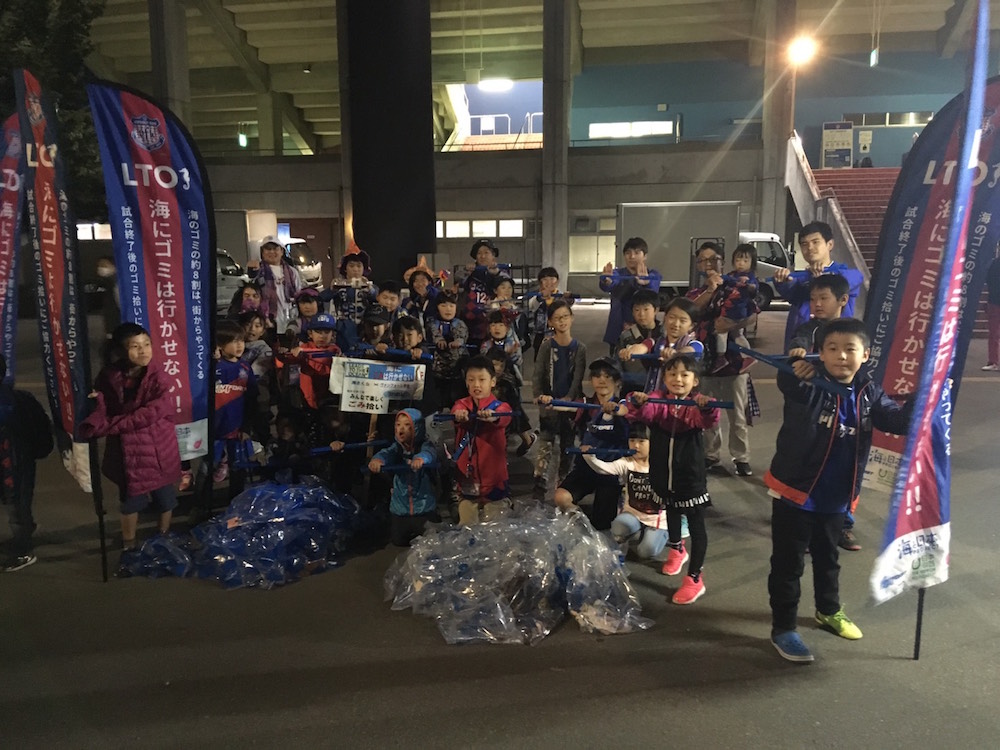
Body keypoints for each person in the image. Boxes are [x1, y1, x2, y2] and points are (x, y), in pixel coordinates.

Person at [765, 318, 912, 663]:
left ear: (866, 354)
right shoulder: (809, 381)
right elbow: (790, 383)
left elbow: (896, 421)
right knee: (788, 564)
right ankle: (783, 628)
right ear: (821, 353)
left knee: (828, 559)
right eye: (832, 348)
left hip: (836, 497)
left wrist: (928, 396)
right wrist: (795, 370)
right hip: (796, 491)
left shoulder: (869, 391)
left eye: (850, 349)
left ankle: (828, 610)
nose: (841, 356)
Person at [79, 323, 182, 558]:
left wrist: (107, 426)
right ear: (121, 350)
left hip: (158, 448)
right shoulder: (109, 376)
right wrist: (97, 403)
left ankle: (163, 537)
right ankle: (129, 544)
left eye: (147, 344)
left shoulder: (160, 377)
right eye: (135, 346)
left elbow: (148, 414)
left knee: (166, 499)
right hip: (128, 454)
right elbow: (103, 407)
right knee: (130, 502)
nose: (143, 350)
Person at [628, 355, 720, 605]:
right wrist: (638, 402)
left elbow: (709, 418)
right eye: (672, 374)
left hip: (690, 478)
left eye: (684, 375)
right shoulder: (659, 400)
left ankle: (695, 577)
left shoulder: (696, 404)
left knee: (696, 525)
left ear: (695, 380)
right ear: (664, 378)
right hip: (662, 476)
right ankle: (677, 549)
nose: (678, 379)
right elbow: (645, 413)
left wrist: (706, 406)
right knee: (671, 510)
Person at [687, 242, 753, 477]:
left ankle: (741, 457)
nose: (708, 264)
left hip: (734, 360)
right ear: (698, 265)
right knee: (707, 409)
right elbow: (690, 312)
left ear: (722, 261)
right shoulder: (696, 292)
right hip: (705, 360)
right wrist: (709, 290)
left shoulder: (736, 286)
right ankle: (711, 454)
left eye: (713, 259)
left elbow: (752, 314)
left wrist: (732, 324)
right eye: (703, 260)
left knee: (737, 413)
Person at [552, 357, 629, 530]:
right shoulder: (586, 404)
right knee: (561, 497)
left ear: (617, 382)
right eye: (597, 376)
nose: (601, 380)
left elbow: (625, 410)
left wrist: (616, 410)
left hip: (610, 471)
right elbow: (567, 406)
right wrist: (549, 402)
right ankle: (581, 524)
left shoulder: (624, 405)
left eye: (607, 376)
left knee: (603, 522)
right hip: (585, 467)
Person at [773, 221, 864, 350]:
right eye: (804, 244)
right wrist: (782, 280)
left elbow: (853, 279)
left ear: (830, 244)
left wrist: (822, 277)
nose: (810, 247)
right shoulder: (801, 279)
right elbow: (791, 291)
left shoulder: (848, 274)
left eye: (815, 242)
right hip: (800, 346)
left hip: (835, 346)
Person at [582, 423, 667, 560]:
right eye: (632, 440)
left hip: (656, 520)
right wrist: (590, 457)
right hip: (633, 514)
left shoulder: (663, 466)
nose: (636, 446)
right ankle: (637, 532)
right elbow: (604, 469)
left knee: (646, 552)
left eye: (641, 441)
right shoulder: (627, 462)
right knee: (617, 530)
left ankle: (665, 534)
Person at [0, 355, 53, 572]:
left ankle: (24, 551)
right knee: (18, 505)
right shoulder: (21, 398)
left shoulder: (11, 402)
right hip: (19, 463)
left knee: (16, 507)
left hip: (14, 465)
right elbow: (42, 428)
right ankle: (24, 534)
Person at [532, 300, 587, 497]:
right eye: (557, 318)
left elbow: (578, 377)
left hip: (570, 406)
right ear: (550, 322)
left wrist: (569, 398)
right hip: (549, 404)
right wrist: (538, 395)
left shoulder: (580, 348)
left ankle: (563, 482)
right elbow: (538, 373)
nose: (562, 321)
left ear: (572, 318)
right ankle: (539, 482)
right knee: (545, 444)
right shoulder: (547, 346)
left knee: (568, 445)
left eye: (565, 316)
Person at [451, 356, 513, 525]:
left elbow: (505, 415)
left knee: (495, 528)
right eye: (471, 380)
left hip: (494, 481)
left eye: (482, 379)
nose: (476, 385)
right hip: (468, 480)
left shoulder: (501, 406)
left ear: (493, 382)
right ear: (466, 382)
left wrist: (493, 417)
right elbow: (456, 410)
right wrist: (459, 415)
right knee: (467, 527)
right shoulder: (461, 405)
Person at [369, 408, 441, 546]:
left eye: (407, 425)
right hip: (400, 509)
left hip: (424, 508)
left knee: (429, 542)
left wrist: (421, 459)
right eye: (398, 425)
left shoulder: (425, 445)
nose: (401, 429)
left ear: (417, 428)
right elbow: (386, 453)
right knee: (398, 541)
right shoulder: (396, 448)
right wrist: (377, 460)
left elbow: (429, 453)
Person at [209, 320, 257, 496]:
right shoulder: (212, 367)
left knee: (239, 466)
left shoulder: (245, 367)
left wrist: (246, 428)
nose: (239, 345)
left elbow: (252, 400)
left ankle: (236, 500)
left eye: (241, 340)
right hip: (214, 429)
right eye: (233, 341)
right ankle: (202, 503)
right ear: (220, 345)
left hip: (237, 429)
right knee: (208, 466)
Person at [600, 237, 662, 355]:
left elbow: (653, 291)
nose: (632, 256)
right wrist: (607, 281)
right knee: (617, 361)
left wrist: (645, 282)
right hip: (619, 329)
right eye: (628, 253)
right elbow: (610, 283)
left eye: (637, 252)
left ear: (645, 256)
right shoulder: (618, 274)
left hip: (646, 331)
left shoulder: (653, 275)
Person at [482, 346, 535, 457]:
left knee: (501, 441)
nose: (498, 368)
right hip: (486, 415)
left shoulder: (507, 381)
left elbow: (513, 402)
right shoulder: (482, 379)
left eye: (502, 365)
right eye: (495, 364)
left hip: (504, 416)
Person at [714, 243, 759, 364]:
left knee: (721, 331)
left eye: (745, 261)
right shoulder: (732, 274)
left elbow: (754, 289)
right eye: (738, 260)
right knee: (738, 335)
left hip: (735, 312)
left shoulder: (750, 277)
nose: (741, 263)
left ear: (752, 263)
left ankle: (720, 358)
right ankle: (748, 357)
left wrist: (749, 285)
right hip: (732, 310)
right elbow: (726, 280)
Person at [786, 274, 850, 358]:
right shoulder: (808, 328)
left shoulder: (852, 329)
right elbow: (802, 338)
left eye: (823, 298)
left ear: (843, 300)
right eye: (812, 299)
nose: (817, 304)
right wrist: (798, 348)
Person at [250, 235, 303, 334]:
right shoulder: (258, 271)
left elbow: (299, 294)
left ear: (282, 251)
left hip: (290, 318)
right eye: (268, 249)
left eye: (275, 249)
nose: (271, 252)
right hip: (267, 320)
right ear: (262, 252)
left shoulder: (292, 272)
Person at [426, 291, 469, 412]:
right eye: (443, 305)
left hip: (456, 368)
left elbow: (462, 335)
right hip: (437, 369)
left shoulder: (459, 323)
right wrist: (439, 340)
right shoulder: (432, 323)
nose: (448, 309)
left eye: (451, 305)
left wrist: (458, 341)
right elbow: (433, 333)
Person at [615, 288, 663, 393]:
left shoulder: (664, 333)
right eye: (637, 310)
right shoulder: (626, 336)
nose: (641, 314)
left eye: (646, 309)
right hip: (632, 387)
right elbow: (617, 363)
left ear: (656, 310)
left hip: (660, 387)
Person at [237, 309, 275, 445]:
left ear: (263, 331)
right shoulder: (234, 345)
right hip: (236, 394)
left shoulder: (264, 349)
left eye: (257, 326)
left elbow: (257, 372)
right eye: (248, 324)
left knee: (259, 427)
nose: (252, 329)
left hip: (257, 395)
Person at [459, 239, 503, 345]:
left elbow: (504, 291)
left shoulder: (501, 274)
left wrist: (495, 275)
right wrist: (467, 273)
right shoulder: (468, 273)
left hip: (493, 327)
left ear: (493, 255)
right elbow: (457, 283)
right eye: (479, 253)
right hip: (469, 326)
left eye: (486, 253)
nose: (483, 256)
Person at [528, 267, 573, 356]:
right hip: (540, 335)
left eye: (552, 279)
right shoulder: (537, 297)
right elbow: (532, 306)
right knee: (540, 358)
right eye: (545, 279)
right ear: (540, 282)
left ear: (557, 281)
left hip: (559, 333)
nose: (549, 282)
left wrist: (569, 297)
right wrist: (540, 297)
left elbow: (569, 304)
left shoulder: (561, 296)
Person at [983, 253, 1000, 371]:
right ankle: (993, 361)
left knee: (994, 333)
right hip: (994, 302)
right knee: (994, 334)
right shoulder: (994, 263)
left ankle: (993, 361)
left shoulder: (993, 264)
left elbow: (988, 280)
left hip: (994, 301)